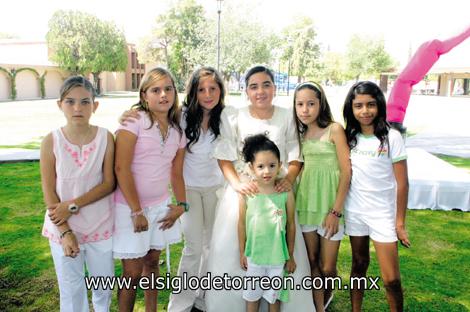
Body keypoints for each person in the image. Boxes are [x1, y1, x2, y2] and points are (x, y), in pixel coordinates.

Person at [206, 65, 314, 311]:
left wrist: (289, 178)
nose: (260, 91)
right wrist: (237, 184)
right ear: (246, 91)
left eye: (266, 85)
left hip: (276, 194)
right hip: (243, 194)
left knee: (280, 247)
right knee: (234, 250)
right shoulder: (233, 115)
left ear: (274, 88)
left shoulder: (287, 115)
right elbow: (224, 155)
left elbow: (296, 154)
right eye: (254, 86)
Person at [118, 66, 226, 312]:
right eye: (201, 89)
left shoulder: (226, 116)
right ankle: (181, 304)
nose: (208, 94)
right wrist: (129, 112)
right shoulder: (183, 116)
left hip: (215, 189)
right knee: (193, 247)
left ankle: (204, 298)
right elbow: (126, 165)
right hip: (189, 189)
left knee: (211, 247)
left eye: (213, 88)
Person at [113, 67, 187, 311]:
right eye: (156, 90)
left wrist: (181, 206)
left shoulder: (178, 130)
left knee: (152, 263)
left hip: (159, 207)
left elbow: (176, 173)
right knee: (132, 271)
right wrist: (136, 211)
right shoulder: (135, 121)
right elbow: (121, 168)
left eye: (168, 89)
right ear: (144, 95)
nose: (163, 95)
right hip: (129, 207)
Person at [40, 75, 115, 312]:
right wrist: (65, 232)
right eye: (70, 101)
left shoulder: (106, 137)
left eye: (85, 102)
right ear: (60, 104)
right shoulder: (51, 141)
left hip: (99, 226)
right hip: (62, 227)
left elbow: (109, 183)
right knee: (72, 291)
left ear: (95, 105)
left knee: (103, 286)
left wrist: (72, 205)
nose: (77, 108)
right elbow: (49, 191)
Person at [342, 81, 411, 312]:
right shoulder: (347, 137)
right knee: (359, 264)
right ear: (351, 109)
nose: (365, 111)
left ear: (379, 105)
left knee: (391, 278)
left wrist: (399, 223)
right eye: (358, 106)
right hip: (355, 211)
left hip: (383, 213)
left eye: (370, 104)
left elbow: (403, 183)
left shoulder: (392, 137)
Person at [293, 82, 351, 312]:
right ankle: (319, 307)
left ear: (321, 104)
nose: (305, 109)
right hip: (306, 205)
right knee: (311, 261)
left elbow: (346, 172)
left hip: (330, 208)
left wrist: (335, 211)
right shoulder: (300, 133)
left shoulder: (334, 129)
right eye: (300, 104)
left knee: (328, 267)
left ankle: (327, 295)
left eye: (310, 104)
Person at [238, 134, 296, 312]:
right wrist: (242, 252)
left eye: (272, 166)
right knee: (252, 299)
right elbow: (241, 224)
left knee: (274, 299)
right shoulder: (248, 194)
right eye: (261, 166)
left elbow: (291, 225)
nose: (267, 171)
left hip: (278, 258)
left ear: (280, 165)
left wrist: (290, 256)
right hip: (255, 257)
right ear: (251, 167)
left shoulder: (285, 193)